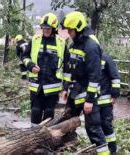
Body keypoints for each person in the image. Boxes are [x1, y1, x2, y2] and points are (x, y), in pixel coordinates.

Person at [60, 11, 109, 155]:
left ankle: (103, 153)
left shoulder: (91, 46)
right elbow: (69, 69)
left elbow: (95, 76)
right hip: (74, 92)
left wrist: (89, 101)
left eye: (70, 30)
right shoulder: (74, 44)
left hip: (88, 94)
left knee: (93, 128)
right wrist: (65, 88)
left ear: (79, 28)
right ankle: (66, 147)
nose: (68, 33)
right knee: (67, 122)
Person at [22, 13, 67, 124]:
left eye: (49, 28)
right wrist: (30, 66)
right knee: (35, 111)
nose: (46, 30)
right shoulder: (35, 40)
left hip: (52, 85)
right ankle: (33, 137)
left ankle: (47, 138)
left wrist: (66, 86)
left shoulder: (61, 43)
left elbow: (67, 66)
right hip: (36, 85)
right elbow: (24, 56)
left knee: (49, 113)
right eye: (44, 28)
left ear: (54, 28)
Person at [98, 52, 121, 154]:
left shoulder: (106, 58)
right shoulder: (88, 56)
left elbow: (115, 77)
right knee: (94, 127)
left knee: (106, 125)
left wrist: (115, 95)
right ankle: (101, 149)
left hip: (106, 100)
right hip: (92, 101)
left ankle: (112, 150)